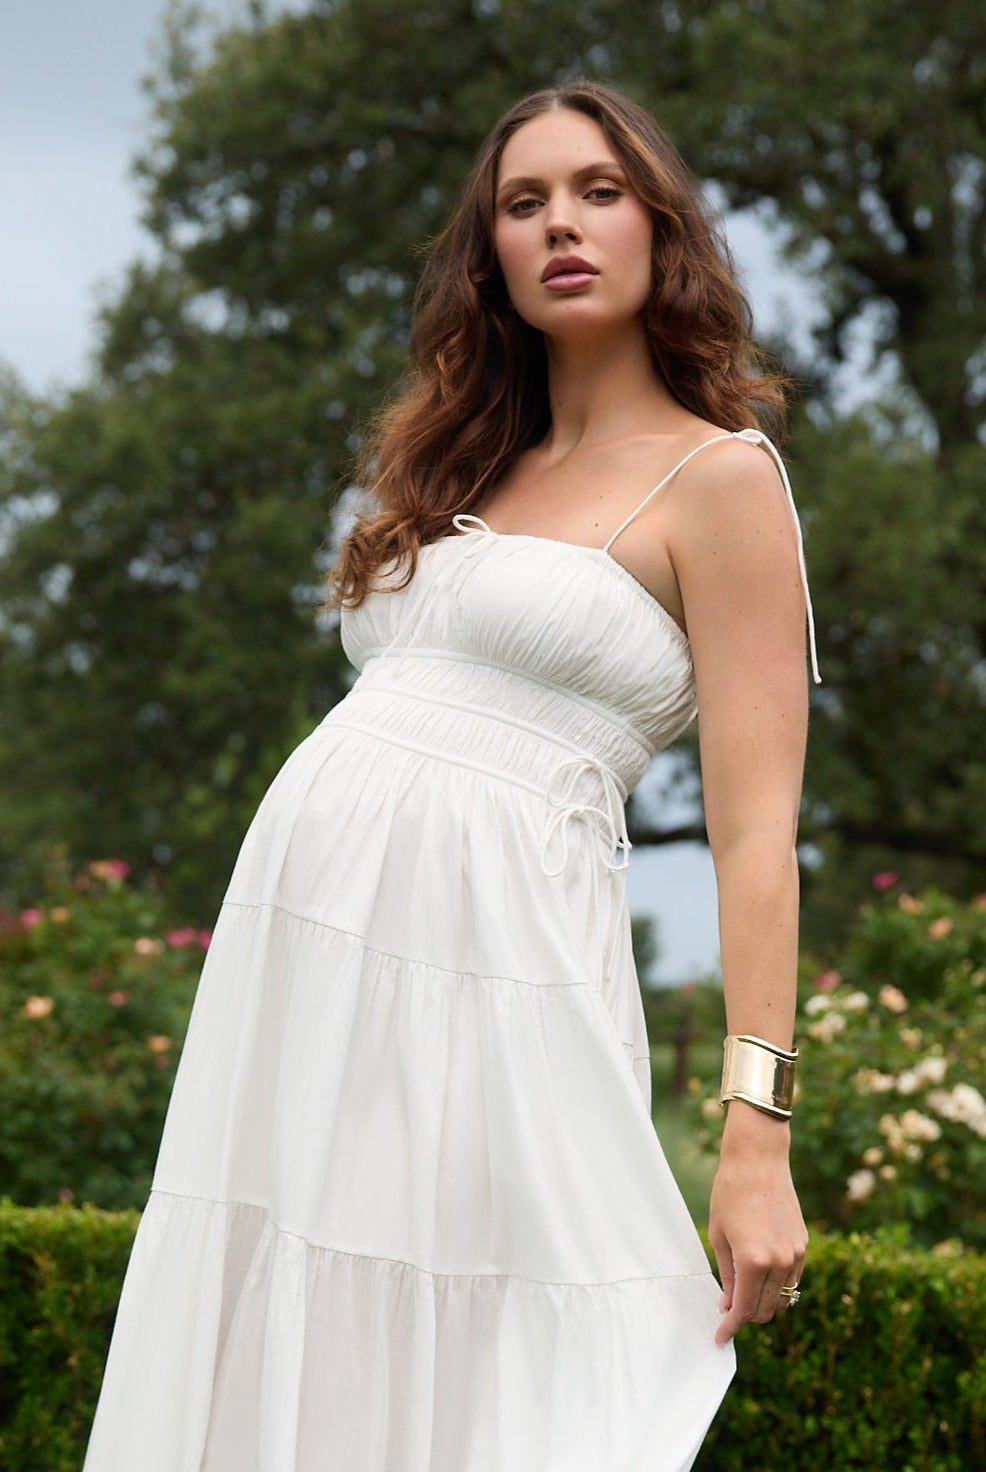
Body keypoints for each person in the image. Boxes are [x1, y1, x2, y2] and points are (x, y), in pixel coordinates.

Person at [83, 79, 818, 1472]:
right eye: (522, 201)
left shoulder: (722, 483)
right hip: (308, 965)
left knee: (517, 1355)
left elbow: (755, 833)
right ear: (486, 254)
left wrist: (755, 1135)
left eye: (598, 192)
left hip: (506, 966)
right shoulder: (450, 462)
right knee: (287, 1322)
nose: (561, 224)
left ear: (663, 231)